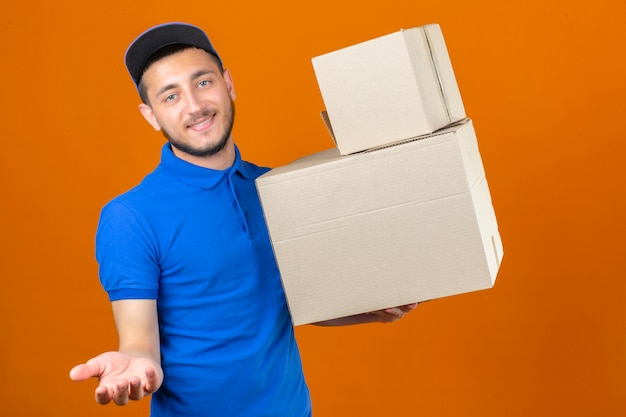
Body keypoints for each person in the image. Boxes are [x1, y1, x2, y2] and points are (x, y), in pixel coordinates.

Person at [69, 22, 417, 416]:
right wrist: (137, 364)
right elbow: (139, 344)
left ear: (228, 84)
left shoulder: (274, 187)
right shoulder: (129, 217)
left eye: (202, 83)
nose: (195, 106)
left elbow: (283, 305)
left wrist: (370, 310)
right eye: (171, 96)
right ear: (151, 116)